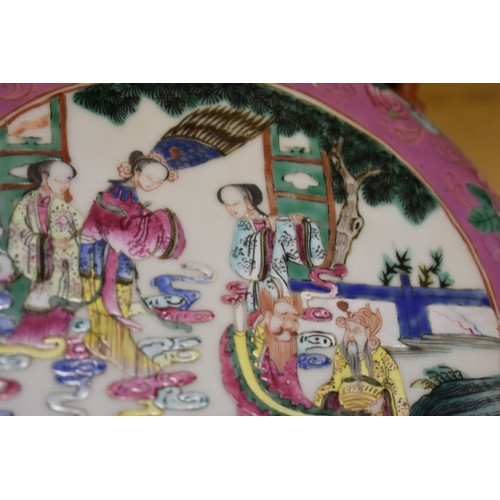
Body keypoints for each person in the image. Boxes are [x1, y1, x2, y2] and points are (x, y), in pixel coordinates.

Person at [79, 151, 185, 377]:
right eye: (149, 178)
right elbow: (113, 229)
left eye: (157, 182)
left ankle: (102, 343)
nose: (152, 184)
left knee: (115, 302)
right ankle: (120, 354)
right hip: (98, 259)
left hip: (114, 260)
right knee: (105, 304)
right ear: (136, 172)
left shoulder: (130, 196)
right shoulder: (116, 195)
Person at [3, 160, 83, 347]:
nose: (64, 185)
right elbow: (18, 235)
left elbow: (83, 230)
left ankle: (60, 340)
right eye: (59, 180)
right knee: (39, 303)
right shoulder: (26, 205)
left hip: (63, 271)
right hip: (40, 268)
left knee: (62, 306)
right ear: (45, 178)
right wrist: (48, 242)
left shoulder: (64, 207)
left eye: (67, 180)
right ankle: (31, 340)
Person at [217, 183, 326, 310]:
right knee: (263, 309)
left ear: (248, 201)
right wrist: (270, 231)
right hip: (261, 280)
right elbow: (240, 257)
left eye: (235, 203)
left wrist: (301, 223)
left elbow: (292, 248)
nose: (231, 209)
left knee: (282, 306)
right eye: (227, 205)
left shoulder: (270, 219)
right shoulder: (243, 225)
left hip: (279, 275)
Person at [314, 302, 410, 415]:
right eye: (347, 329)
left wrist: (381, 403)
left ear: (370, 337)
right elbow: (336, 383)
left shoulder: (384, 359)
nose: (349, 336)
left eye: (356, 331)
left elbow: (397, 393)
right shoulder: (342, 352)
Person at [252, 287, 312, 407]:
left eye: (294, 319)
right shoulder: (257, 353)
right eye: (283, 317)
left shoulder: (297, 358)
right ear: (268, 317)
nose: (289, 325)